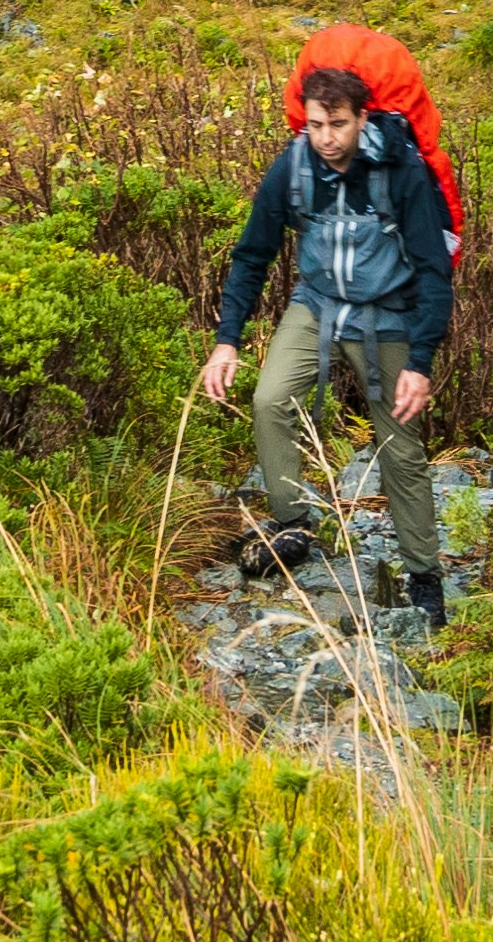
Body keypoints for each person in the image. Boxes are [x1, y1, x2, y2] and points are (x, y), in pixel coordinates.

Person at [197, 60, 459, 616]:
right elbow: (252, 256)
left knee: (401, 448)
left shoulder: (400, 171)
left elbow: (435, 270)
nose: (326, 139)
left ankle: (424, 576)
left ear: (363, 118)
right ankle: (293, 525)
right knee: (269, 400)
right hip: (315, 305)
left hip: (387, 314)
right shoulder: (293, 167)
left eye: (337, 124)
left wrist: (420, 361)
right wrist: (228, 340)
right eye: (315, 125)